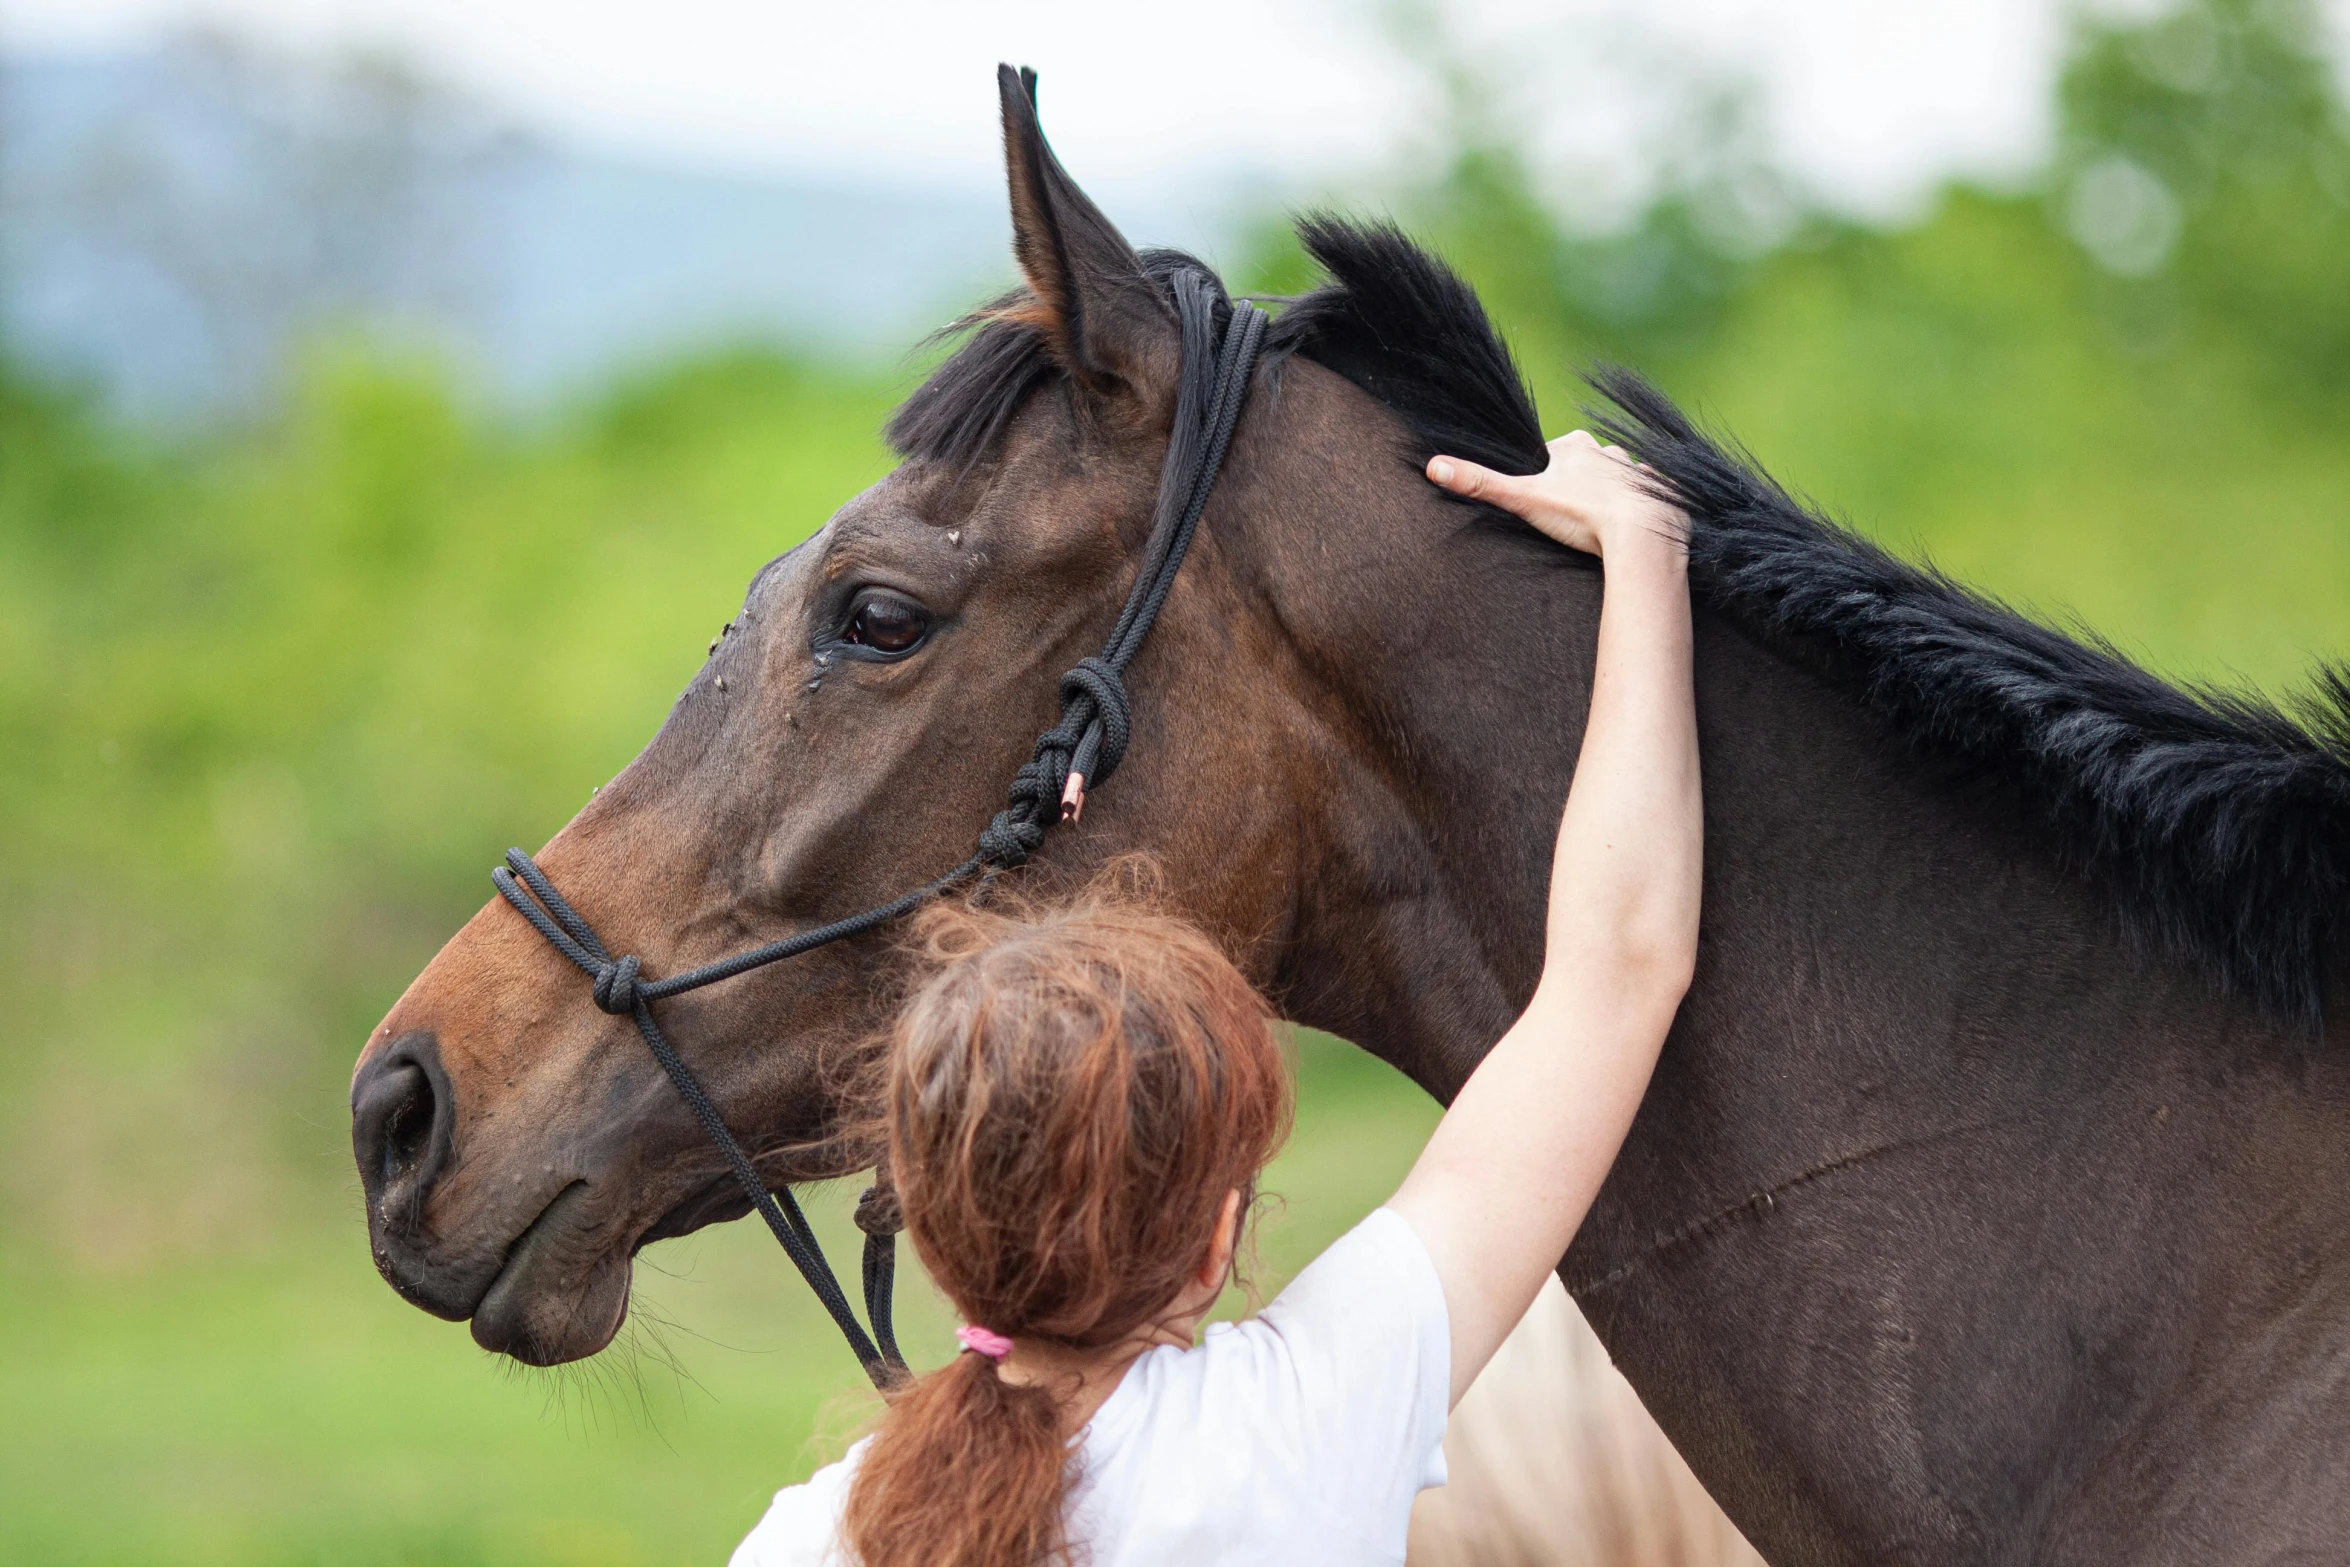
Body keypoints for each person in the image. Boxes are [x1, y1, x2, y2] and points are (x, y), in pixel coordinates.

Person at [731, 432, 1701, 1567]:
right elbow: (1618, 968)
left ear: (937, 1244)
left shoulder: (805, 1540)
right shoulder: (1309, 1428)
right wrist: (1644, 549)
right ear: (1216, 1238)